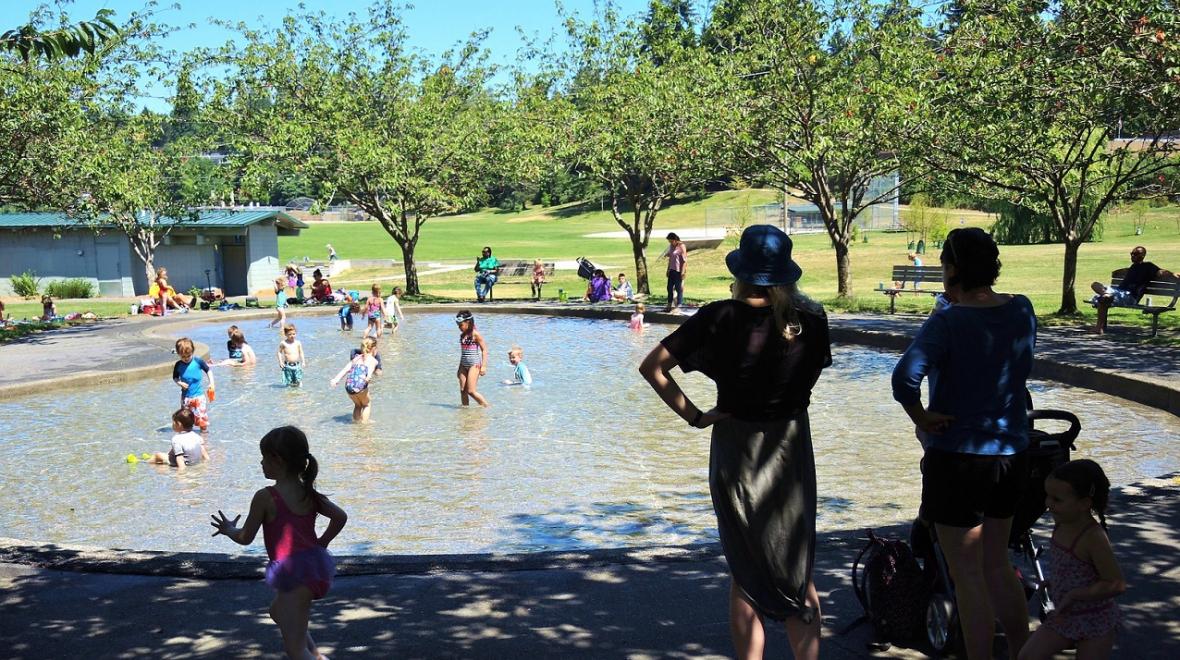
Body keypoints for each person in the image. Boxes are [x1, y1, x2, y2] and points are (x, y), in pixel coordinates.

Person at [640, 224, 830, 660]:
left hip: (736, 449)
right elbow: (810, 380)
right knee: (798, 570)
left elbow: (653, 368)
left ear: (742, 271)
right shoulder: (814, 323)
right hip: (791, 449)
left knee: (745, 572)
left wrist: (697, 417)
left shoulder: (719, 317)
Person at [892, 227, 1037, 660]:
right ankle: (1023, 651)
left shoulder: (948, 321)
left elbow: (904, 379)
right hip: (1012, 454)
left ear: (952, 268)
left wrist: (921, 417)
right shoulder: (1022, 309)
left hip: (958, 458)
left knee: (967, 575)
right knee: (997, 565)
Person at [210, 426, 347, 660]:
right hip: (315, 569)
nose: (261, 463)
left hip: (294, 576)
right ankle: (317, 656)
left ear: (277, 459)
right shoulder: (307, 492)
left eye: (264, 457)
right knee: (277, 612)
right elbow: (340, 517)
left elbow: (245, 538)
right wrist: (322, 544)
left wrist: (229, 529)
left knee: (294, 650)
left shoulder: (266, 497)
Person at [1019, 460, 1125, 660]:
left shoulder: (1093, 537)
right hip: (1065, 616)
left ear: (1084, 504)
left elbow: (1117, 584)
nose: (1048, 504)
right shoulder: (1062, 523)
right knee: (1027, 656)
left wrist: (1075, 594)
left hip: (1095, 619)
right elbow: (1073, 568)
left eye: (1057, 500)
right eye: (1047, 496)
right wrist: (1055, 582)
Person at [1090, 246, 1174, 334]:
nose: (1132, 256)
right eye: (1132, 253)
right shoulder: (1133, 267)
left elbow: (1161, 272)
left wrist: (1174, 275)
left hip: (1130, 296)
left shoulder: (1148, 266)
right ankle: (1106, 295)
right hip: (1118, 293)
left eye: (1135, 254)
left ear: (1142, 256)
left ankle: (1099, 326)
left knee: (1102, 299)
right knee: (1095, 285)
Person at [331, 337, 379, 422]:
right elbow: (370, 369)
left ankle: (356, 423)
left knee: (358, 405)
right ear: (374, 349)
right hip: (360, 386)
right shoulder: (373, 360)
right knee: (366, 405)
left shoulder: (356, 358)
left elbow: (346, 369)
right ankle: (364, 426)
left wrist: (336, 379)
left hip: (349, 386)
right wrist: (368, 377)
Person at [173, 337, 214, 432]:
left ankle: (204, 439)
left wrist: (211, 383)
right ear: (178, 354)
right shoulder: (178, 365)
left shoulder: (198, 361)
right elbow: (175, 377)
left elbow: (208, 371)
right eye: (183, 356)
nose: (186, 358)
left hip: (199, 396)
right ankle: (188, 438)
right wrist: (179, 383)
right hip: (186, 398)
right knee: (186, 421)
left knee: (202, 419)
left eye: (188, 355)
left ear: (192, 351)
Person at [454, 310, 490, 407]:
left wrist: (484, 366)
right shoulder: (462, 335)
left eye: (460, 324)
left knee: (471, 391)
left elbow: (485, 350)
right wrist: (460, 368)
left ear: (468, 322)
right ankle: (465, 413)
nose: (459, 327)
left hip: (474, 365)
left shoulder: (475, 334)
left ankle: (487, 407)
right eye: (457, 325)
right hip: (463, 364)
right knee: (463, 391)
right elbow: (463, 353)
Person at [660, 232, 688, 312]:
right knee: (669, 288)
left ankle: (679, 306)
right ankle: (669, 305)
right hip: (672, 270)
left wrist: (683, 272)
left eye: (671, 241)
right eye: (669, 241)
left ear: (675, 240)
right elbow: (670, 258)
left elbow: (684, 261)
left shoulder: (681, 246)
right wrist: (668, 269)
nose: (670, 243)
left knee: (679, 289)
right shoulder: (671, 246)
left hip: (678, 271)